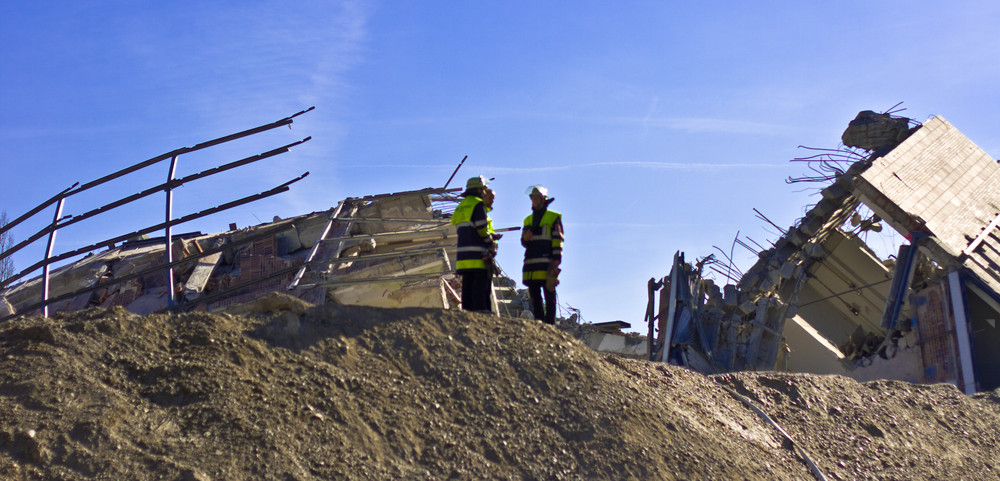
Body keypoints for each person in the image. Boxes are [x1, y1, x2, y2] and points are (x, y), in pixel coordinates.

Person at [451, 176, 498, 312]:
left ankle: (468, 317)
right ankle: (481, 317)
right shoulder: (477, 204)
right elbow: (481, 228)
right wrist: (490, 242)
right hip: (477, 256)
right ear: (479, 190)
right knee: (479, 289)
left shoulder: (461, 206)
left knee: (468, 289)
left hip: (463, 258)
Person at [521, 185, 563, 324]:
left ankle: (549, 324)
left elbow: (558, 240)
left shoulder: (553, 217)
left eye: (536, 197)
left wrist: (556, 262)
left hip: (547, 263)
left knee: (549, 293)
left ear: (543, 199)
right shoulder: (528, 220)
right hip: (531, 264)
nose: (533, 200)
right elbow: (524, 242)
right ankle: (540, 322)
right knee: (535, 295)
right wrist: (525, 238)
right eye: (532, 197)